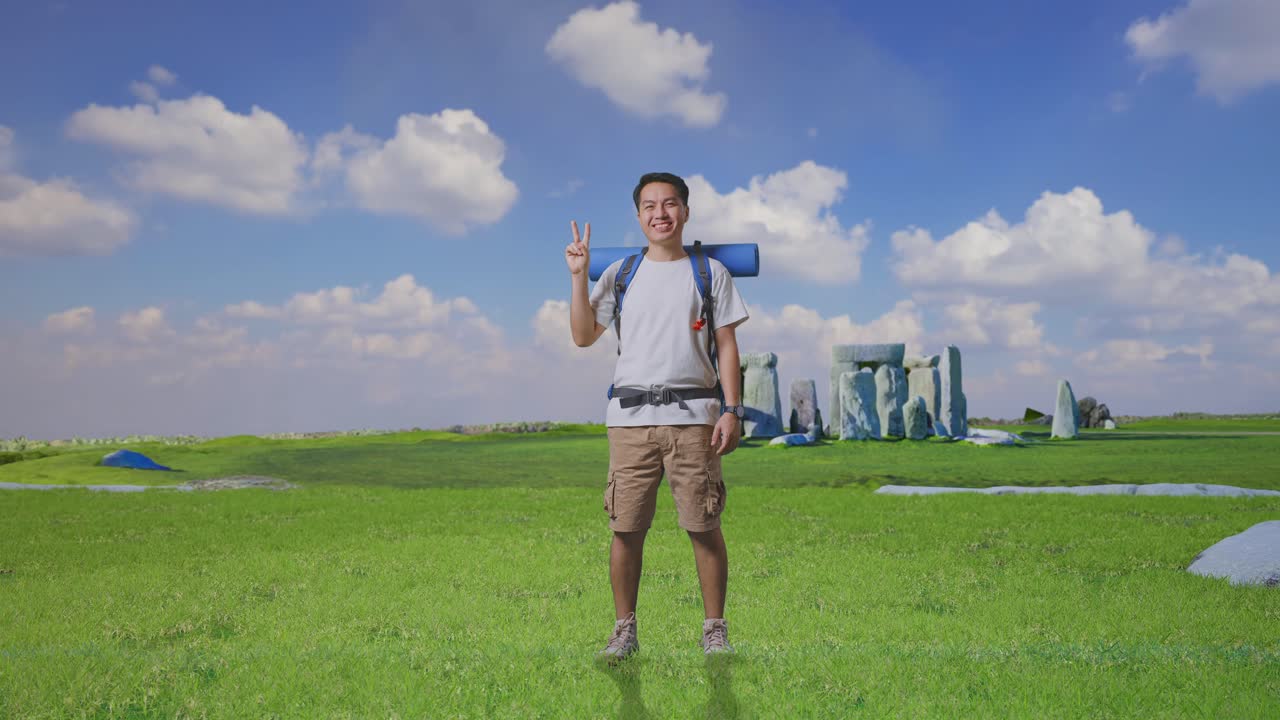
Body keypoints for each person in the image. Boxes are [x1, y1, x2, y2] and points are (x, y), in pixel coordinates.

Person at [564, 171, 750, 661]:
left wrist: (731, 410)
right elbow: (583, 336)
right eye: (649, 206)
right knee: (625, 528)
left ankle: (715, 630)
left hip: (696, 418)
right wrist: (579, 275)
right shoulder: (621, 274)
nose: (660, 213)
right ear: (639, 216)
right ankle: (624, 630)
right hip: (629, 420)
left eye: (670, 204)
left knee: (703, 525)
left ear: (685, 212)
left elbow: (727, 346)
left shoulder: (709, 273)